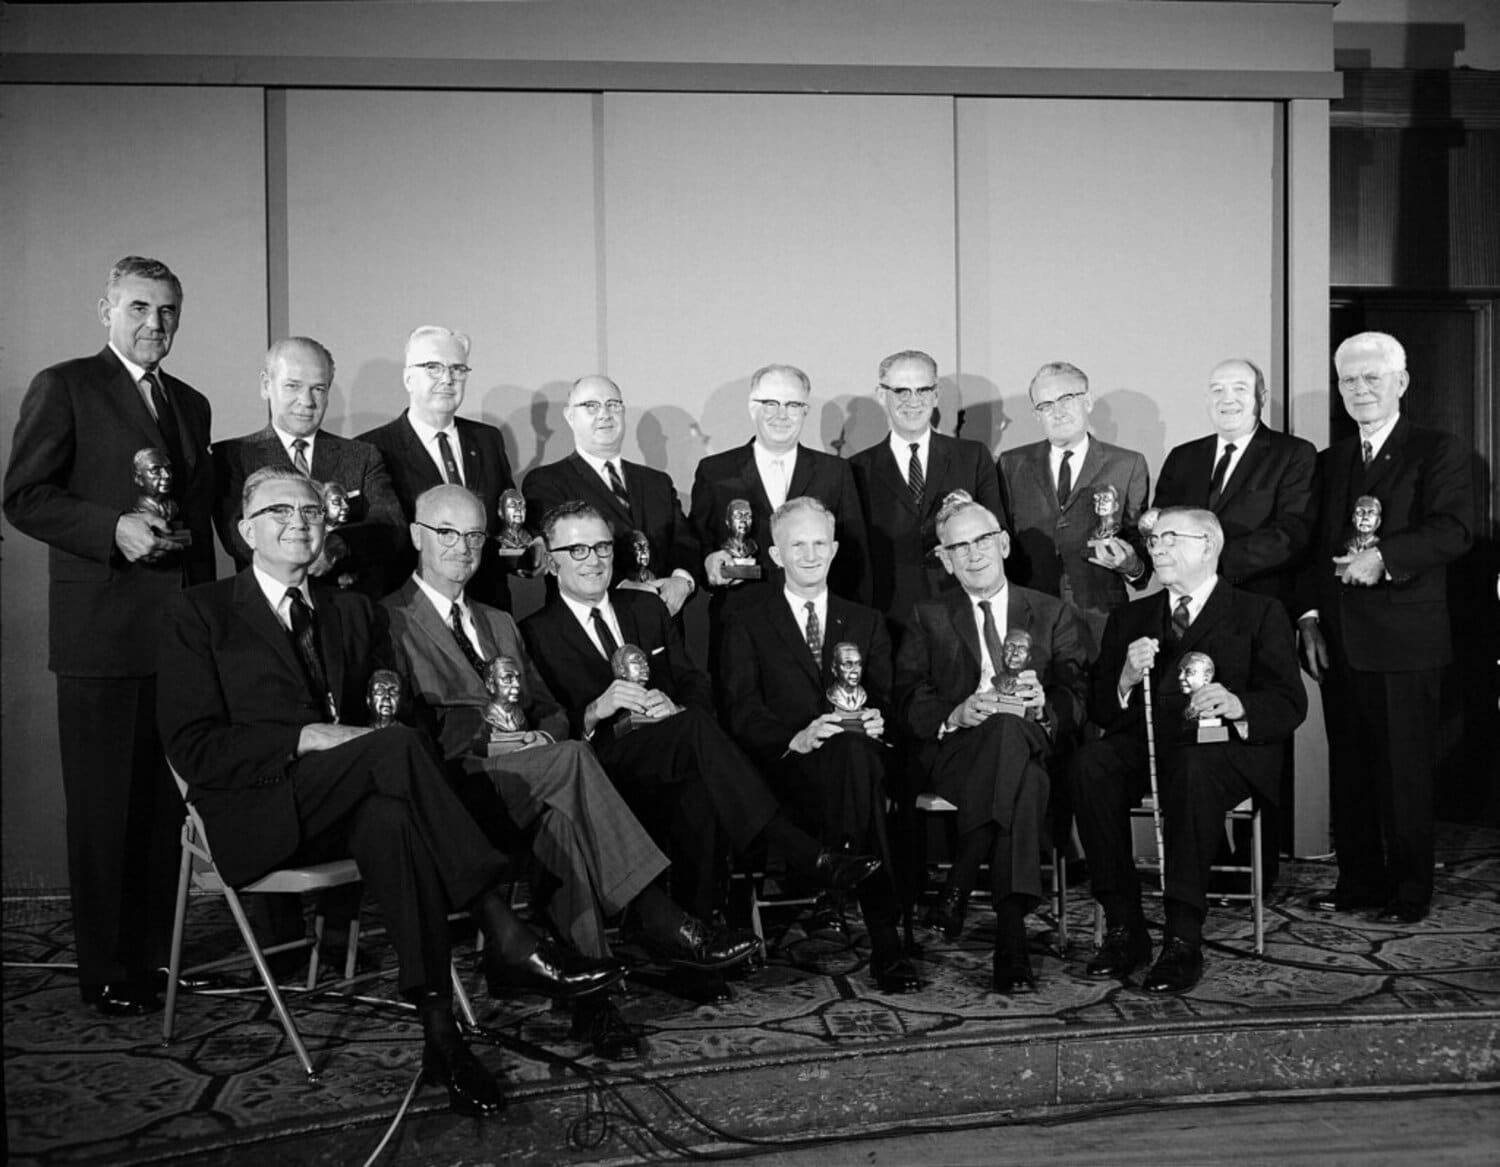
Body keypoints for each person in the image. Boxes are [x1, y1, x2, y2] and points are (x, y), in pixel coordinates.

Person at [158, 468, 625, 1114]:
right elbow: (193, 746)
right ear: (243, 531)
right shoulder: (199, 612)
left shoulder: (348, 611)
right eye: (278, 511)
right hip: (257, 808)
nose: (298, 520)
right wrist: (303, 738)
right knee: (397, 750)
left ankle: (442, 1042)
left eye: (310, 510)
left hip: (352, 800)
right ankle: (504, 927)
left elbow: (392, 716)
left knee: (392, 815)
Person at [383, 485, 757, 1058]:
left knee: (565, 815)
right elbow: (399, 730)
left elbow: (551, 710)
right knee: (576, 767)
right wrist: (498, 743)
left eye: (475, 535)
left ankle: (594, 1003)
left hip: (535, 775)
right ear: (416, 536)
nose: (462, 547)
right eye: (446, 533)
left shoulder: (498, 621)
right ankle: (653, 913)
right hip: (455, 789)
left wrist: (541, 736)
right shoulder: (389, 620)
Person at [3, 256, 216, 1017]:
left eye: (167, 311)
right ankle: (103, 969)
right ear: (105, 309)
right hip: (101, 634)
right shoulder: (65, 386)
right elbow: (23, 496)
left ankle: (155, 960)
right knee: (103, 811)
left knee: (164, 812)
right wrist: (111, 528)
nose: (153, 324)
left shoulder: (191, 403)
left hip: (176, 640)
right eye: (138, 308)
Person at [519, 502, 882, 924]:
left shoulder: (646, 608)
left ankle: (702, 944)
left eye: (602, 546)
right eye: (578, 550)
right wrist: (595, 710)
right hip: (600, 766)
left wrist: (675, 705)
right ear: (551, 560)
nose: (595, 560)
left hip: (674, 749)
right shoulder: (534, 632)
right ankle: (800, 850)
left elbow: (695, 683)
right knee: (695, 737)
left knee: (699, 781)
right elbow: (549, 722)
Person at [1070, 508, 1306, 993]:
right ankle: (1123, 927)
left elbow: (1289, 702)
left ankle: (1182, 938)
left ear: (1209, 546)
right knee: (1090, 764)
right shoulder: (1130, 616)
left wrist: (1238, 703)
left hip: (1222, 750)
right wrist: (1125, 679)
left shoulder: (1258, 612)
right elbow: (1100, 709)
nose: (1156, 547)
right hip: (1149, 742)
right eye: (1154, 539)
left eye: (1171, 538)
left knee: (1194, 769)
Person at [1299, 332, 1473, 924]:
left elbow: (1454, 530)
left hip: (1405, 641)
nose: (1360, 389)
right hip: (1339, 640)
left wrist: (1386, 558)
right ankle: (1359, 882)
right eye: (1349, 379)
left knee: (1404, 772)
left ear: (1401, 382)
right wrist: (1310, 619)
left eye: (1373, 378)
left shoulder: (1437, 450)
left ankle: (1408, 891)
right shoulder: (1331, 461)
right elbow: (1313, 550)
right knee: (1350, 767)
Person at [719, 498, 917, 993]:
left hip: (854, 761)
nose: (810, 555)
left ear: (833, 550)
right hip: (783, 770)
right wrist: (797, 738)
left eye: (819, 544)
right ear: (776, 554)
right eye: (797, 545)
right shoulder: (746, 617)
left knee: (855, 755)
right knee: (859, 777)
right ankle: (884, 936)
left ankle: (842, 874)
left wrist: (877, 720)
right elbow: (740, 709)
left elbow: (890, 702)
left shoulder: (866, 621)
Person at [894, 499, 1088, 994]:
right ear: (945, 559)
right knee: (1019, 778)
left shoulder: (1050, 612)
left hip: (1029, 739)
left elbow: (1078, 697)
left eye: (982, 540)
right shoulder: (928, 616)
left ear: (1003, 543)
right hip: (960, 752)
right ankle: (1011, 942)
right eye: (959, 546)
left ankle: (961, 880)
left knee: (1011, 732)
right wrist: (954, 712)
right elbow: (908, 698)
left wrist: (1047, 705)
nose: (973, 553)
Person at [213, 337, 403, 598]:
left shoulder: (362, 456)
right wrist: (306, 556)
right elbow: (237, 537)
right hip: (267, 610)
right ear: (266, 385)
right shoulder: (232, 456)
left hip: (347, 608)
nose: (307, 400)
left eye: (318, 389)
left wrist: (336, 546)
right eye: (293, 386)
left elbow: (391, 527)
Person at [849, 350, 1006, 640]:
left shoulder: (972, 457)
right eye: (901, 391)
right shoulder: (855, 469)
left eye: (923, 390)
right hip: (888, 617)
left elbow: (999, 535)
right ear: (881, 395)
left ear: (936, 395)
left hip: (963, 612)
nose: (913, 401)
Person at [691, 364, 870, 616]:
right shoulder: (715, 471)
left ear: (805, 411)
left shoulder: (835, 472)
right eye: (770, 404)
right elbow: (696, 542)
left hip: (817, 618)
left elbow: (855, 554)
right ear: (753, 407)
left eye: (792, 405)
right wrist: (708, 562)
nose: (782, 415)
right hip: (739, 618)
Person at [359, 326, 518, 609]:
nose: (447, 379)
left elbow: (506, 524)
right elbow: (382, 541)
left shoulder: (488, 439)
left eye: (458, 369)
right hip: (409, 613)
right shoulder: (372, 448)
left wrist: (525, 553)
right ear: (408, 378)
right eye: (433, 367)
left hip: (489, 606)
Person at [998, 362, 1149, 654]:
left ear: (1088, 401)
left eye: (1067, 399)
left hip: (1101, 616)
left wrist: (1132, 565)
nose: (1058, 410)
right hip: (1029, 618)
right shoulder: (1010, 464)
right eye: (1046, 404)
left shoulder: (1127, 464)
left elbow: (1140, 553)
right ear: (1036, 414)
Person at [522, 375, 699, 615]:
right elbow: (560, 555)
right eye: (591, 406)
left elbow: (685, 543)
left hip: (663, 623)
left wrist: (681, 580)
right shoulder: (546, 482)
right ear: (569, 416)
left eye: (612, 405)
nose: (604, 414)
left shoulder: (657, 482)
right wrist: (627, 589)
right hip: (589, 624)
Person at [1152, 358, 1317, 613]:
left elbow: (1291, 534)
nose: (1227, 399)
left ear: (1261, 397)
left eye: (1240, 388)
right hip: (1185, 606)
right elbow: (1160, 526)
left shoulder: (1294, 454)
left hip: (1256, 605)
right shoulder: (1182, 457)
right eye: (1217, 390)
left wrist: (1206, 563)